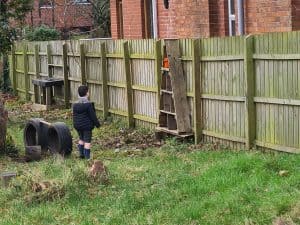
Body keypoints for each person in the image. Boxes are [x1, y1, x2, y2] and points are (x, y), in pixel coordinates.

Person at [72, 85, 100, 159]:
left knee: (81, 138)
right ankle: (87, 158)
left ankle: (81, 155)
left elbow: (74, 115)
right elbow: (93, 116)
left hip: (77, 125)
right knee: (87, 140)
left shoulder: (75, 105)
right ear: (87, 93)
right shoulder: (88, 105)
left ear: (78, 94)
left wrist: (76, 123)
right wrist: (97, 124)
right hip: (87, 126)